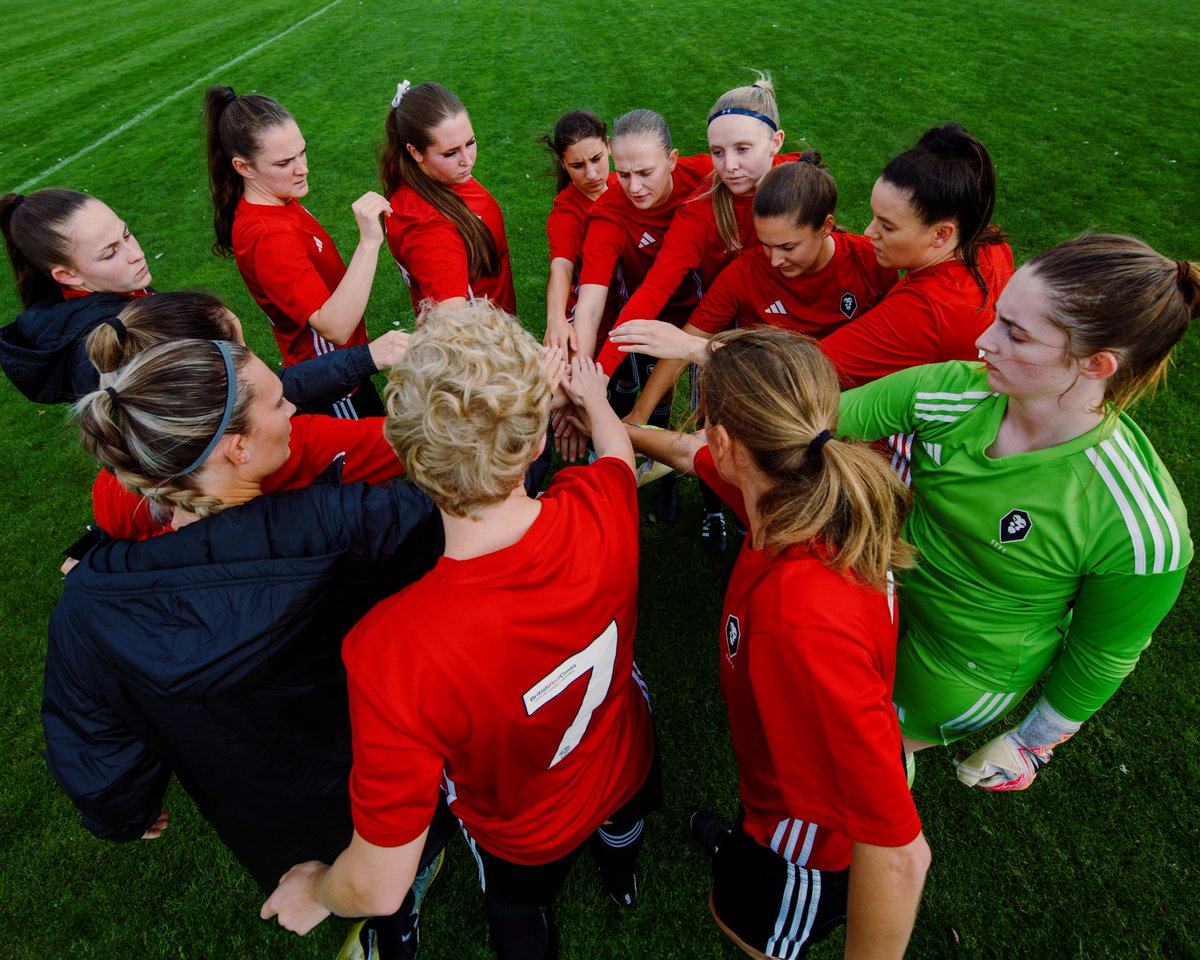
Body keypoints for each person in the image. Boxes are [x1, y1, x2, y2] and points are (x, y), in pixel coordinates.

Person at [262, 301, 658, 960]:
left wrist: (319, 889)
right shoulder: (602, 503)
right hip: (626, 754)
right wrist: (594, 400)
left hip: (523, 833)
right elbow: (615, 452)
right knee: (624, 824)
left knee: (519, 905)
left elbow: (381, 883)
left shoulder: (391, 651)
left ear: (406, 456)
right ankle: (623, 880)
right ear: (536, 443)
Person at [44, 337, 451, 956]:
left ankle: (386, 920)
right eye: (283, 401)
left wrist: (125, 812)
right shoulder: (342, 523)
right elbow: (470, 511)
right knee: (407, 841)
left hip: (266, 809)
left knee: (342, 866)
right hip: (387, 752)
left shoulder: (87, 607)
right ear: (237, 447)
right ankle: (402, 895)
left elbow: (95, 755)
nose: (295, 410)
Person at [836, 234, 1195, 789]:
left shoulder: (1139, 525)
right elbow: (820, 421)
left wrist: (1033, 741)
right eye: (999, 316)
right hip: (880, 589)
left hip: (961, 668)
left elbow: (1103, 652)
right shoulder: (951, 391)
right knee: (819, 716)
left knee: (858, 764)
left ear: (1097, 364)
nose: (983, 340)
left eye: (1015, 334)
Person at [624, 326, 929, 958]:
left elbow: (899, 856)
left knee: (743, 923)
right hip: (778, 790)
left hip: (803, 845)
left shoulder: (802, 616)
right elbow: (685, 452)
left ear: (732, 443)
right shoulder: (800, 486)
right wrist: (611, 420)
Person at [613, 153, 898, 552]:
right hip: (762, 415)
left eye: (787, 246)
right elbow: (683, 346)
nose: (774, 260)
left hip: (841, 413)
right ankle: (736, 520)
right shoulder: (746, 271)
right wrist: (640, 416)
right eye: (764, 244)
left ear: (826, 227)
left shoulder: (870, 262)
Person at [611, 122, 1012, 391]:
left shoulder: (922, 311)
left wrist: (690, 348)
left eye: (887, 226)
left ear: (942, 234)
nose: (869, 232)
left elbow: (801, 371)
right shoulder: (990, 244)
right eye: (874, 216)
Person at [84, 292, 410, 540]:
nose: (251, 354)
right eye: (239, 348)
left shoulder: (121, 474)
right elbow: (432, 439)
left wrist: (363, 358)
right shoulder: (297, 443)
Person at [204, 86, 390, 418]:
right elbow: (335, 326)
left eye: (302, 152)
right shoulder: (268, 236)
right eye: (284, 162)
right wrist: (369, 243)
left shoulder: (280, 202)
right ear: (244, 167)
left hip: (344, 370)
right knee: (376, 466)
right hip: (334, 388)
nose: (302, 168)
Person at [567, 108, 712, 521]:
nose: (633, 186)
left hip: (708, 311)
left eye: (645, 172)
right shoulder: (611, 212)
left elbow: (759, 160)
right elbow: (591, 302)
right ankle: (662, 472)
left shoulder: (706, 173)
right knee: (658, 390)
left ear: (673, 160)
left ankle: (710, 501)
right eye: (623, 173)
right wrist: (588, 373)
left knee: (713, 409)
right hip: (644, 320)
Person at [0, 189, 152, 403]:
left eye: (126, 235)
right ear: (67, 275)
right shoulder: (108, 344)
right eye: (110, 253)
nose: (137, 254)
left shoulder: (116, 289)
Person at [379, 80, 516, 316]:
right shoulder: (427, 227)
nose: (467, 160)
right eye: (450, 153)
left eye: (470, 142)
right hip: (483, 346)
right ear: (415, 152)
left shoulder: (436, 178)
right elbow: (454, 326)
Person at [541, 109, 621, 357]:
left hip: (624, 305)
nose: (592, 174)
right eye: (577, 165)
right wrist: (556, 318)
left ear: (608, 146)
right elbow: (561, 267)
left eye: (596, 158)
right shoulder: (566, 213)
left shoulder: (626, 185)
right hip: (589, 316)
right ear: (563, 164)